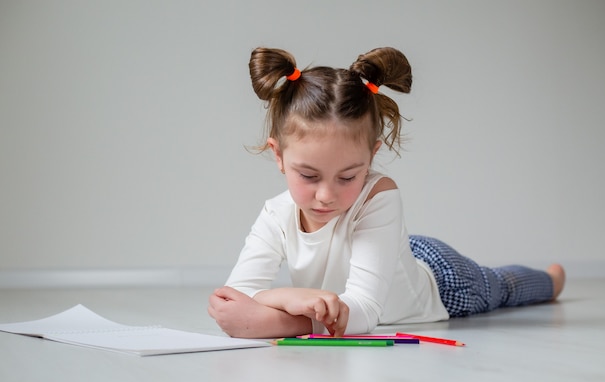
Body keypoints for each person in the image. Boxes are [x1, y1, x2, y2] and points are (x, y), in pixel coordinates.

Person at [208, 46, 565, 339]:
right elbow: (232, 298)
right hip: (390, 253)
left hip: (442, 281)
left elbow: (365, 311)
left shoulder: (380, 196)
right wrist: (288, 295)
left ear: (372, 156)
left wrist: (280, 319)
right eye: (309, 176)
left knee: (501, 287)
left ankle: (550, 280)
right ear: (279, 155)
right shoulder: (276, 214)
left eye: (348, 177)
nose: (326, 196)